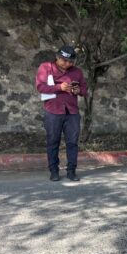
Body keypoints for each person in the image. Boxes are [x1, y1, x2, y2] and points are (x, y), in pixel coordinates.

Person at [35, 45, 87, 182]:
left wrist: (79, 91)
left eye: (70, 62)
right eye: (64, 60)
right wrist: (59, 87)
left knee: (73, 142)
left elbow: (84, 88)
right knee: (53, 141)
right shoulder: (46, 67)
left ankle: (71, 171)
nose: (67, 64)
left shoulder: (77, 71)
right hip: (53, 111)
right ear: (57, 57)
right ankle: (54, 171)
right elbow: (40, 86)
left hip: (72, 111)